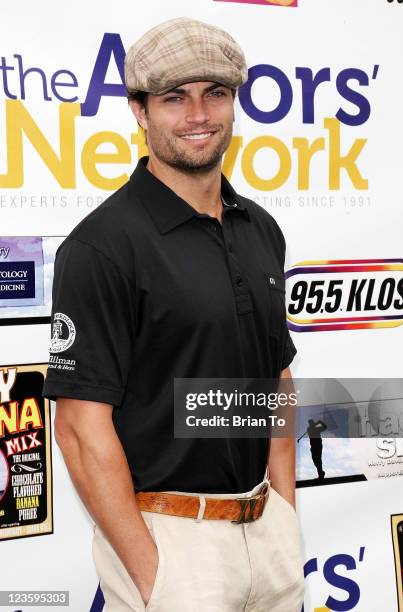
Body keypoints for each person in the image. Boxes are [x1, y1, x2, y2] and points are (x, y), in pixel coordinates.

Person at [42, 16, 304, 612]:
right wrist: (151, 569)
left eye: (215, 93)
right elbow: (81, 429)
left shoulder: (261, 230)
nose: (198, 116)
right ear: (140, 111)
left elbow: (277, 379)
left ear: (236, 101)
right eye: (173, 99)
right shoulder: (101, 247)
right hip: (171, 544)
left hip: (268, 534)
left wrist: (284, 512)